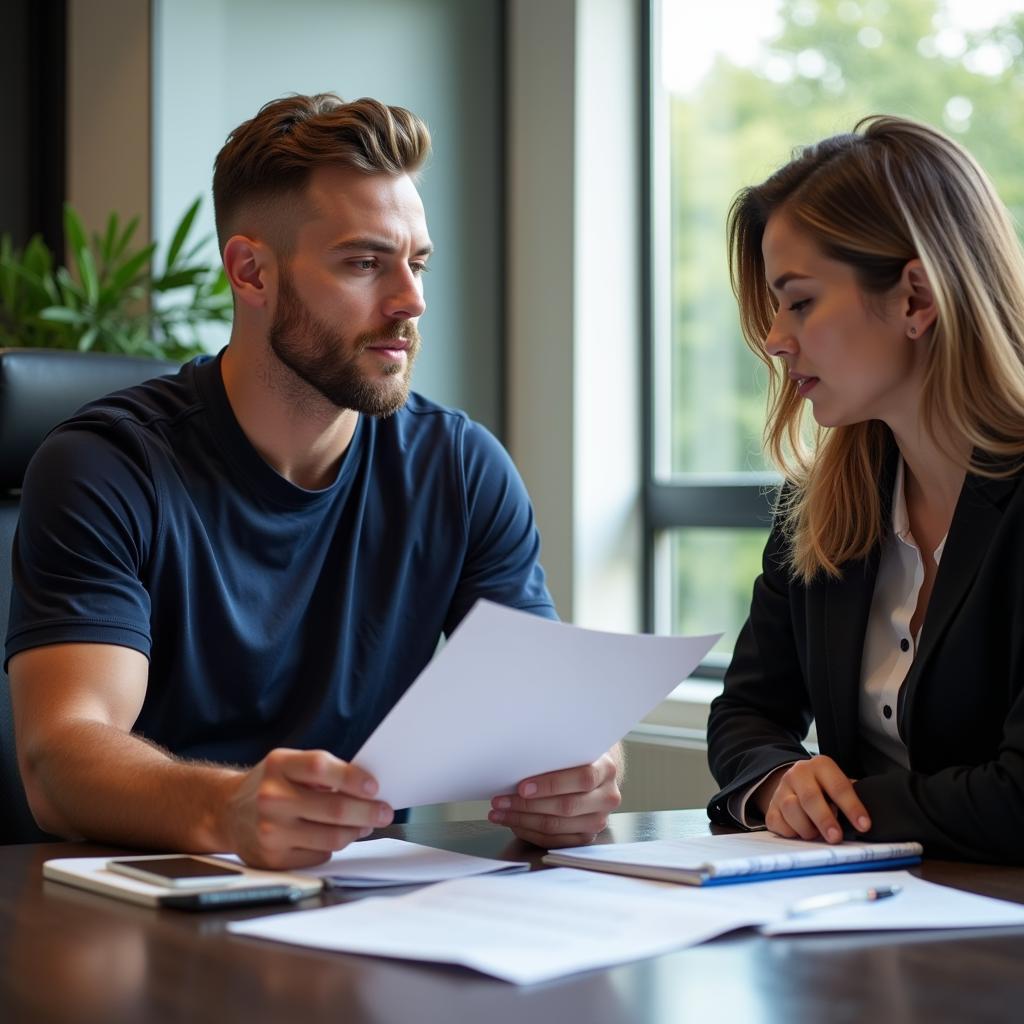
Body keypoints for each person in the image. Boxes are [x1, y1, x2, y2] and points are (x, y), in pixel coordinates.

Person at [5, 93, 621, 868]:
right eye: (365, 263)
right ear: (251, 271)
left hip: (366, 908)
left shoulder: (460, 468)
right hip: (143, 910)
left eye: (417, 262)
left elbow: (553, 719)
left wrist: (581, 779)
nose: (411, 300)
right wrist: (227, 809)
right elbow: (59, 759)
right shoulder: (105, 467)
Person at [705, 114, 1024, 863]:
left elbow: (1019, 799)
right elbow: (748, 712)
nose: (776, 339)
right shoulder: (820, 506)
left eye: (801, 301)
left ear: (916, 297)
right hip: (860, 926)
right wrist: (781, 780)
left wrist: (833, 808)